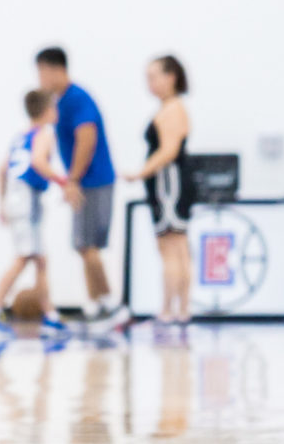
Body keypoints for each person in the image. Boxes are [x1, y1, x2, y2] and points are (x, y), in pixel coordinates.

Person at [37, 48, 124, 328]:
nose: (39, 79)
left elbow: (86, 137)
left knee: (89, 245)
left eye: (40, 72)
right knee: (83, 245)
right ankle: (95, 305)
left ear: (53, 69)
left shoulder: (77, 99)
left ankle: (110, 305)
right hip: (86, 181)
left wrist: (73, 178)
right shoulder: (61, 101)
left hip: (94, 181)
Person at [0, 90, 67, 336]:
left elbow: (1, 170)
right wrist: (64, 182)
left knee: (40, 259)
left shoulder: (21, 136)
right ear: (48, 110)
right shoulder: (44, 133)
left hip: (20, 198)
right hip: (27, 199)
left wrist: (2, 203)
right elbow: (39, 162)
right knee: (24, 257)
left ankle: (50, 314)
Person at [123, 56, 193, 330]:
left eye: (153, 77)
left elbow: (168, 150)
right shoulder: (167, 108)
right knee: (175, 246)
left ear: (171, 77)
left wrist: (140, 173)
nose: (149, 84)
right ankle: (179, 309)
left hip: (169, 184)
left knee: (172, 246)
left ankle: (170, 310)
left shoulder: (173, 109)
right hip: (166, 183)